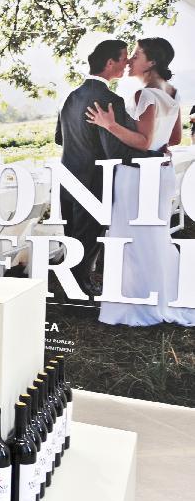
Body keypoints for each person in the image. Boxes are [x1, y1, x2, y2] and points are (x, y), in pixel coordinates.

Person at [86, 38, 194, 326]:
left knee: (130, 237)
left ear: (152, 62)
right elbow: (174, 139)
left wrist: (109, 125)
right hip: (161, 174)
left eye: (136, 55)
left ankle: (137, 301)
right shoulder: (172, 92)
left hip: (138, 176)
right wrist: (159, 146)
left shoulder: (144, 95)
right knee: (153, 236)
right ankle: (161, 294)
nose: (131, 60)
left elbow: (144, 141)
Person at [54, 39, 162, 296]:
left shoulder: (70, 97)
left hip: (68, 174)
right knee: (88, 237)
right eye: (124, 57)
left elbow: (60, 138)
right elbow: (116, 151)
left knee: (72, 237)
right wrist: (152, 156)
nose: (127, 62)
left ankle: (72, 287)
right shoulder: (110, 100)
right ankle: (82, 289)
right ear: (110, 63)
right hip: (93, 179)